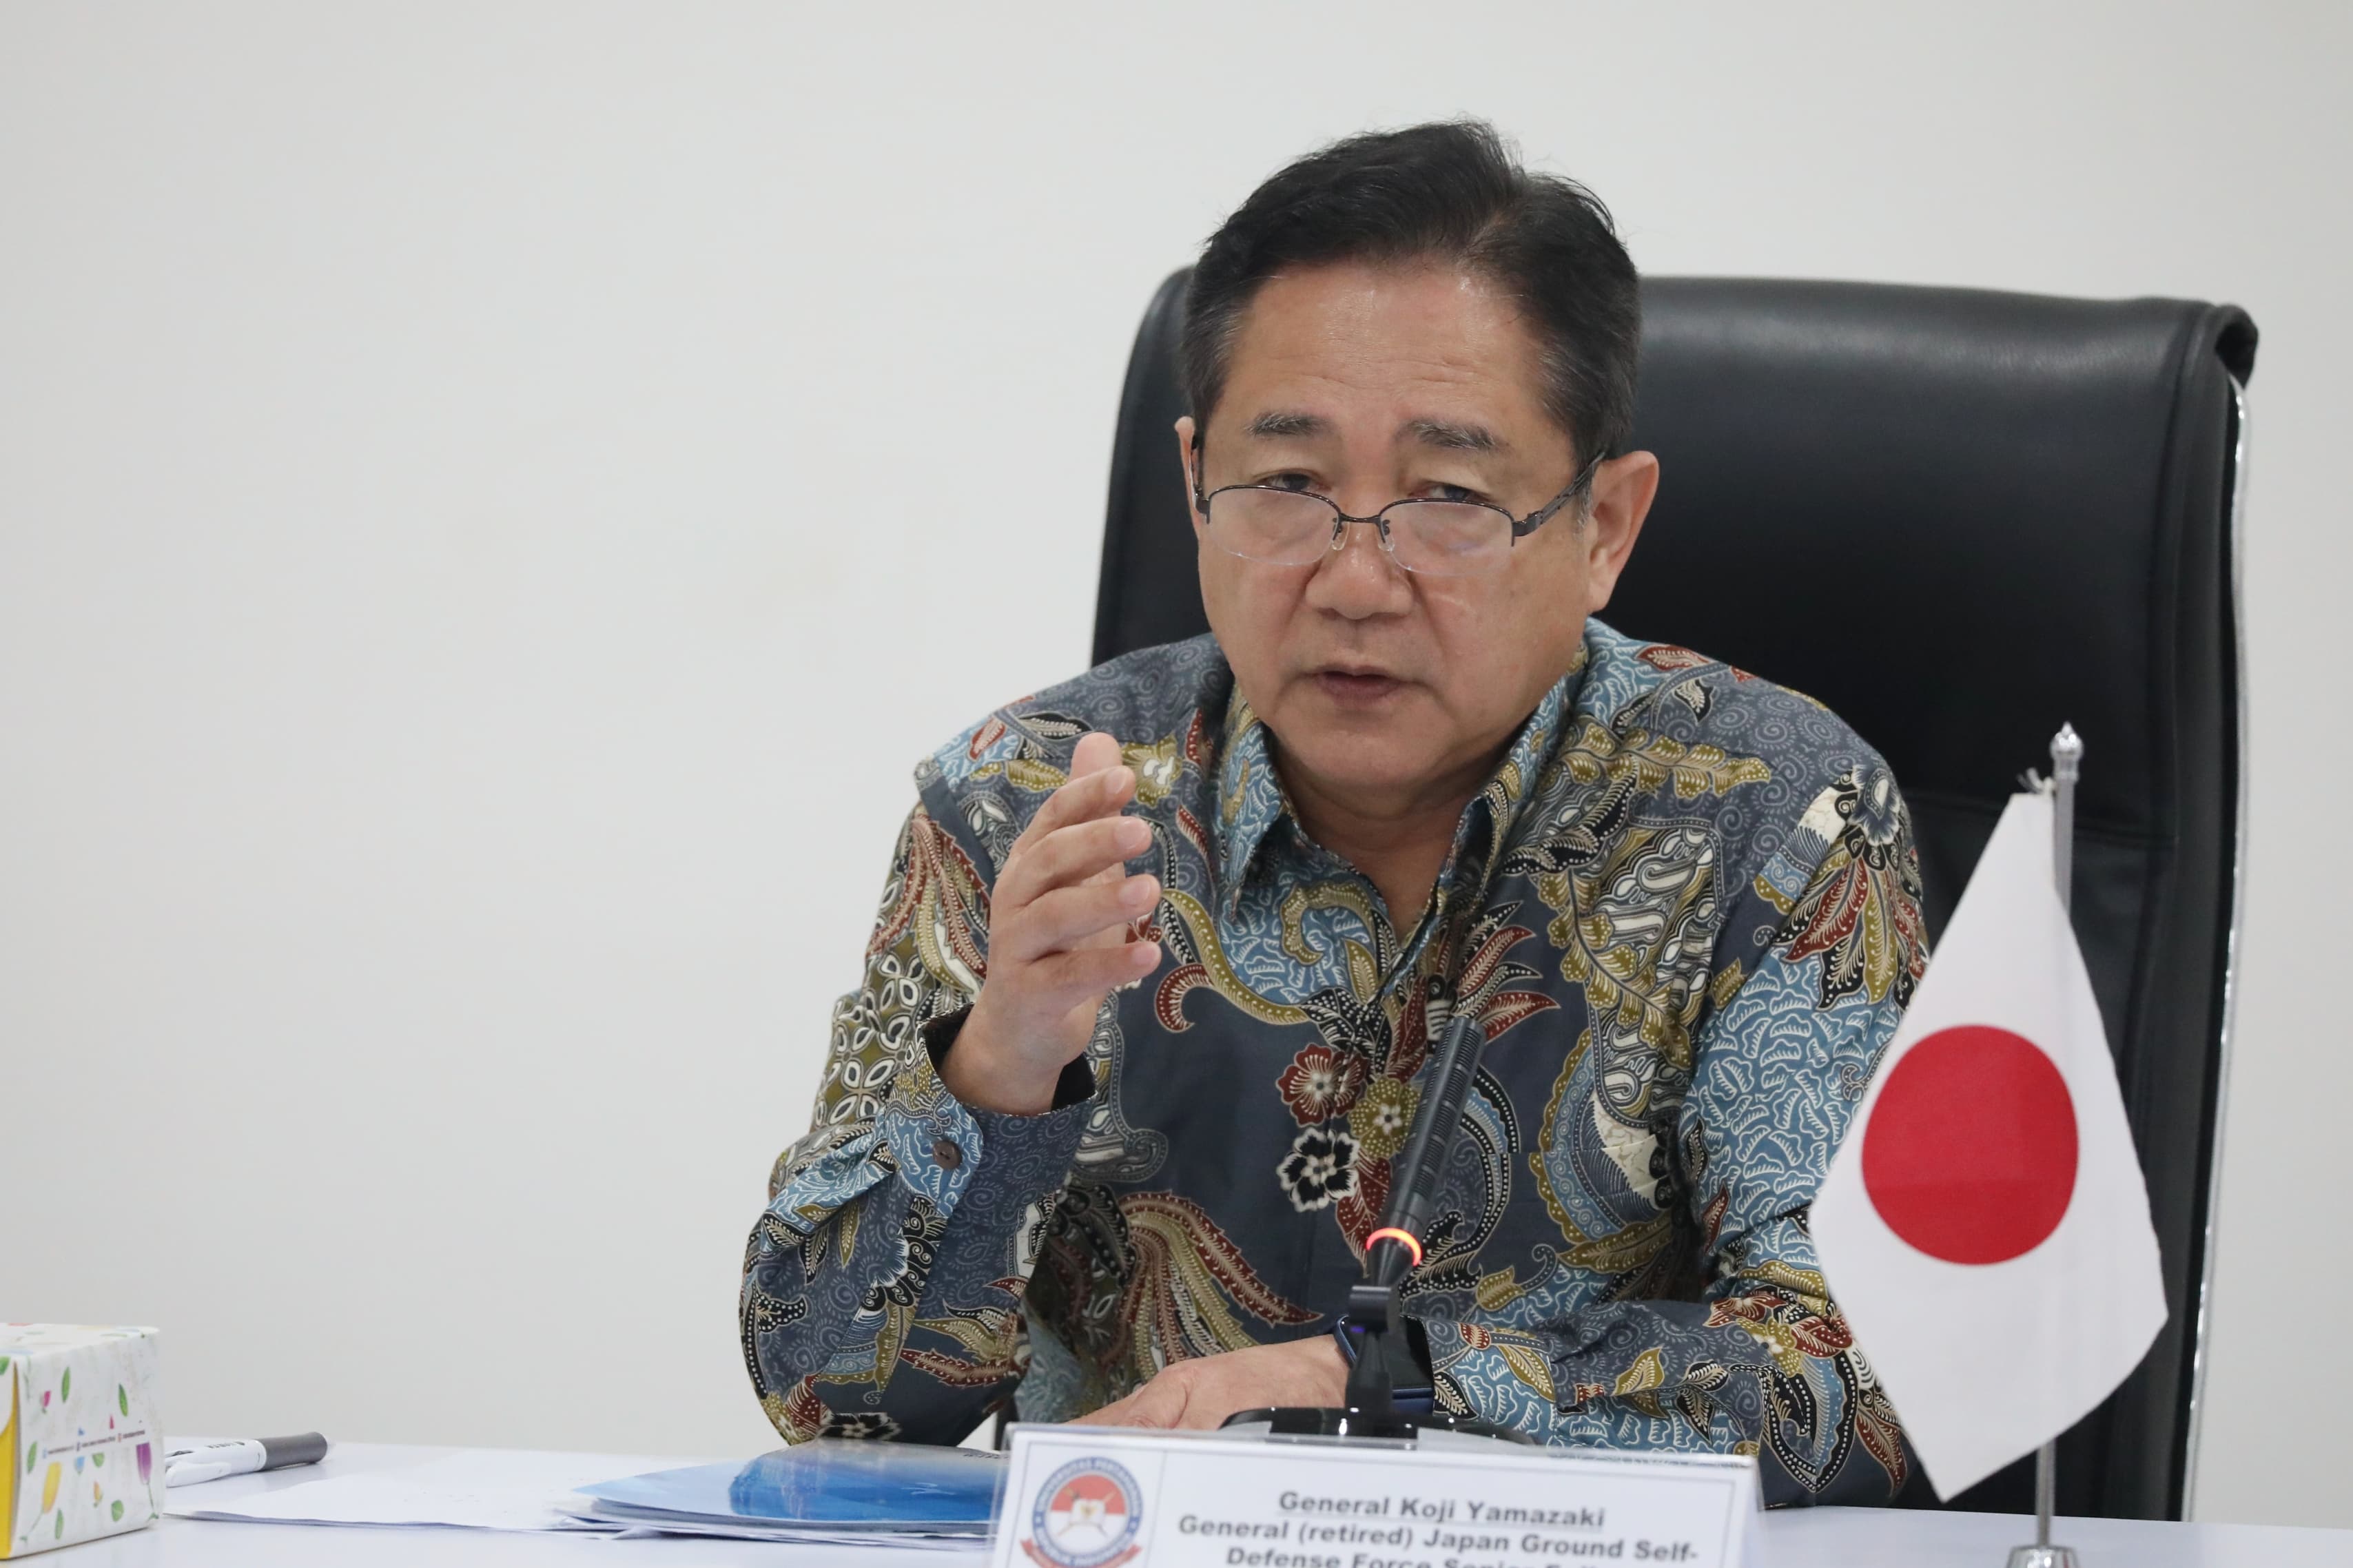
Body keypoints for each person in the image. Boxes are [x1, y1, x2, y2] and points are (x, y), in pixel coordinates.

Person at [741, 121, 1926, 1506]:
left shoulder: (1776, 823)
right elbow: (831, 1398)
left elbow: (1858, 1381)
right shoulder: (1027, 801)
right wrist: (1001, 1066)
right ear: (1196, 483)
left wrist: (1376, 1381)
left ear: (1604, 525)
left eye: (1450, 497)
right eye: (1289, 485)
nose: (1356, 581)